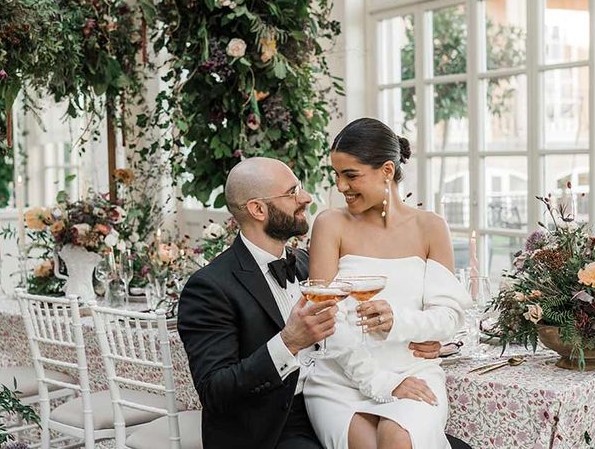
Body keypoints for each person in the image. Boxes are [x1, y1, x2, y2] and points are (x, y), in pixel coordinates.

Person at [178, 156, 442, 449]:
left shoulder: (309, 264)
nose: (306, 198)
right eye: (292, 192)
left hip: (341, 395)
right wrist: (288, 342)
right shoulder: (210, 287)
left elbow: (357, 321)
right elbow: (215, 392)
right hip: (274, 426)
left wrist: (420, 336)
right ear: (258, 209)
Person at [303, 118, 472, 449]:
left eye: (351, 175)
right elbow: (323, 317)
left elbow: (448, 317)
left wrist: (400, 321)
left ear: (387, 171)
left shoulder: (431, 227)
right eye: (336, 175)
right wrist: (380, 382)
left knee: (398, 440)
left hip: (413, 371)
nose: (340, 186)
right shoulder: (330, 224)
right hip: (342, 377)